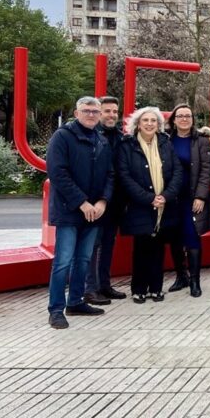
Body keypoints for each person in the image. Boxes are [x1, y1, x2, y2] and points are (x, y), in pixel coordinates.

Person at [46, 97, 114, 329]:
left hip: (95, 212)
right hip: (69, 212)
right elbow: (58, 173)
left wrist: (103, 201)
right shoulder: (62, 137)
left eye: (96, 111)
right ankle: (56, 309)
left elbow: (110, 175)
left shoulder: (101, 140)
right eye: (87, 110)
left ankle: (75, 301)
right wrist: (82, 203)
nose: (92, 114)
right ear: (77, 113)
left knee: (83, 259)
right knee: (63, 262)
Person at [117, 107, 182, 304]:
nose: (149, 124)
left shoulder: (165, 143)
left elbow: (177, 171)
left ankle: (156, 288)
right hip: (140, 205)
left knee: (158, 249)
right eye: (145, 120)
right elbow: (124, 176)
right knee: (141, 248)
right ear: (137, 123)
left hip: (164, 206)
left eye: (154, 120)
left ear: (159, 124)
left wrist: (166, 195)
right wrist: (148, 198)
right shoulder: (127, 145)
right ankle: (138, 289)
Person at [167, 104, 210, 298]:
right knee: (174, 236)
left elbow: (206, 171)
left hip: (192, 197)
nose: (184, 119)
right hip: (171, 197)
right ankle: (181, 276)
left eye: (188, 116)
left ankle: (195, 281)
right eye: (180, 116)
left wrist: (200, 196)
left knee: (192, 235)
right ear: (174, 119)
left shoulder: (201, 141)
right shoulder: (166, 140)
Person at [83, 95, 127, 304]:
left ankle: (104, 285)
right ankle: (89, 289)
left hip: (115, 202)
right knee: (92, 245)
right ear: (99, 113)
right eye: (107, 111)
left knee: (108, 244)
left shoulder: (121, 137)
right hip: (95, 201)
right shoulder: (91, 135)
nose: (111, 115)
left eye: (115, 112)